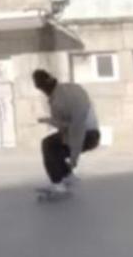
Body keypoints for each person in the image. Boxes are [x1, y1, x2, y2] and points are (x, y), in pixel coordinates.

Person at [32, 69, 100, 197]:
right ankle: (67, 176)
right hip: (86, 133)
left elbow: (77, 127)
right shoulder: (62, 93)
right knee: (55, 149)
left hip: (88, 135)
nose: (43, 93)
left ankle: (58, 185)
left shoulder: (64, 97)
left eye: (42, 89)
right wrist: (50, 121)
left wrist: (74, 158)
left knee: (48, 144)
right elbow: (65, 126)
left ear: (46, 86)